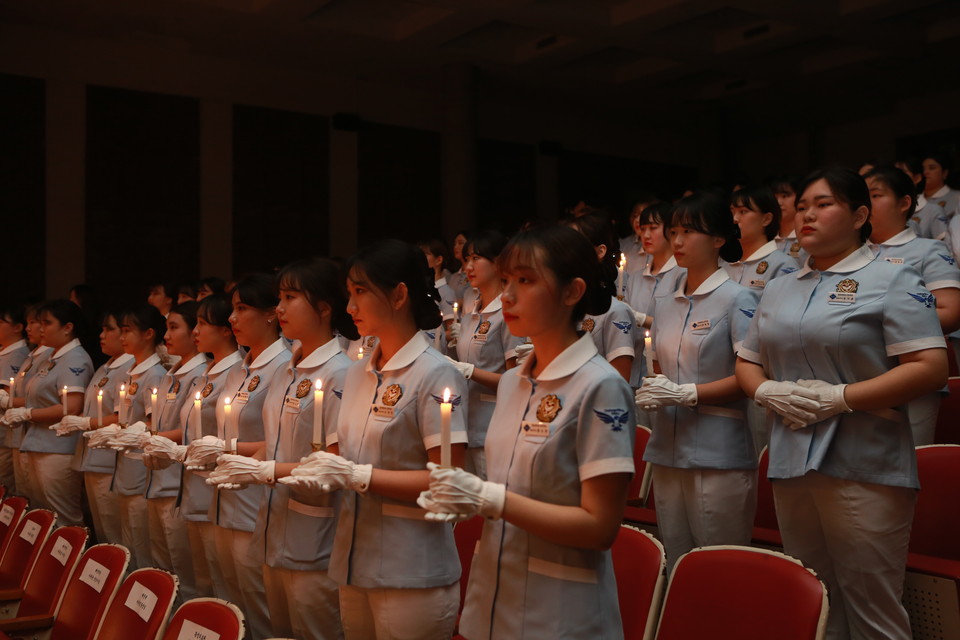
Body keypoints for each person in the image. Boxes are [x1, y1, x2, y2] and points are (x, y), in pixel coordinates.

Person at [736, 167, 949, 640]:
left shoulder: (892, 277)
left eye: (824, 204)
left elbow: (929, 367)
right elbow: (747, 362)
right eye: (803, 205)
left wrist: (841, 397)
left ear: (859, 216)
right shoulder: (778, 286)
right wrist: (764, 390)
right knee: (816, 602)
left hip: (863, 458)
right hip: (792, 459)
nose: (807, 214)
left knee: (872, 608)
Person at [418, 224, 636, 639]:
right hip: (494, 598)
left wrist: (490, 498)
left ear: (572, 291)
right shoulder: (514, 381)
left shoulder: (600, 386)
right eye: (505, 281)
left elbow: (600, 527)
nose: (508, 297)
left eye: (526, 281)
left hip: (560, 612)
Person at [279, 239, 469, 640]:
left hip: (412, 572)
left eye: (361, 292)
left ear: (399, 294)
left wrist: (360, 476)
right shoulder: (357, 373)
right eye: (349, 294)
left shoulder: (435, 373)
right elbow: (338, 457)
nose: (350, 308)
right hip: (352, 561)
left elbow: (449, 481)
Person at [210, 257, 359, 640]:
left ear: (324, 308)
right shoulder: (287, 369)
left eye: (290, 297)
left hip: (315, 534)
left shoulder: (340, 372)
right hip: (274, 524)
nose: (279, 309)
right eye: (279, 297)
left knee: (313, 629)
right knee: (274, 630)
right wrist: (234, 458)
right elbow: (275, 444)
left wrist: (266, 470)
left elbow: (336, 462)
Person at [636, 192, 759, 572]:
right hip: (668, 448)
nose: (677, 242)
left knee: (719, 564)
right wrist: (657, 388)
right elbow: (659, 363)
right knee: (676, 561)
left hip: (717, 449)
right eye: (673, 231)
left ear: (718, 239)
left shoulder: (737, 298)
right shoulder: (665, 300)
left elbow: (750, 376)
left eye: (688, 232)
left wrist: (688, 392)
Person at [207, 274, 290, 640]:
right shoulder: (241, 367)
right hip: (224, 496)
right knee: (232, 599)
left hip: (256, 498)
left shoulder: (284, 366)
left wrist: (225, 450)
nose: (232, 318)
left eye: (242, 309)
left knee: (260, 606)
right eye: (233, 309)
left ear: (271, 314)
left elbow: (279, 440)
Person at [865, 165, 960, 445]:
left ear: (905, 202)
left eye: (875, 195)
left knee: (910, 465)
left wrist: (873, 328)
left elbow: (950, 311)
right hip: (857, 373)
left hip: (912, 375)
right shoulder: (847, 255)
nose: (864, 203)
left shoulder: (928, 250)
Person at [142, 301, 208, 601]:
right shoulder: (173, 371)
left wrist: (153, 438)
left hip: (177, 479)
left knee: (185, 571)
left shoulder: (201, 372)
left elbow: (192, 428)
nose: (167, 335)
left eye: (174, 327)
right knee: (162, 564)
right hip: (159, 475)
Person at [179, 294, 244, 598]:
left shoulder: (236, 371)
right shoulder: (206, 371)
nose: (195, 331)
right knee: (205, 579)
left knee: (227, 585)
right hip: (195, 483)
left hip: (219, 486)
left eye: (202, 324)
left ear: (225, 330)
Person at [6, 300, 93, 525]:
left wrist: (27, 414)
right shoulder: (52, 358)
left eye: (47, 323)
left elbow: (70, 407)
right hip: (38, 443)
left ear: (67, 327)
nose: (41, 329)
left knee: (62, 517)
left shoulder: (75, 358)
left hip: (58, 449)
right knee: (41, 515)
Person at [447, 230, 522, 477]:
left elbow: (517, 381)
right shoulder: (470, 316)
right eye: (466, 259)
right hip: (464, 425)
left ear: (499, 262)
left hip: (494, 426)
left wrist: (470, 371)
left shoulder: (510, 313)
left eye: (477, 258)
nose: (468, 266)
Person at [59, 309, 133, 545]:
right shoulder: (105, 367)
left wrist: (85, 422)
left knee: (115, 530)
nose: (103, 335)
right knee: (101, 528)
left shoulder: (130, 368)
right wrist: (77, 419)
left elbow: (125, 417)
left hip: (109, 460)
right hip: (91, 456)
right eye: (102, 329)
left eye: (109, 329)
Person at [105, 305, 169, 569]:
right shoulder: (133, 370)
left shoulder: (154, 373)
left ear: (149, 334)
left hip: (141, 469)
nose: (122, 337)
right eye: (120, 331)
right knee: (127, 542)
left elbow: (155, 422)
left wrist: (133, 431)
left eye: (128, 331)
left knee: (142, 545)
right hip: (125, 466)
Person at [565, 213, 636, 382]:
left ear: (600, 251)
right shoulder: (564, 306)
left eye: (576, 244)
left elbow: (619, 381)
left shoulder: (615, 310)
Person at [624, 202, 683, 385]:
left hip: (667, 375)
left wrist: (643, 319)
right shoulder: (635, 278)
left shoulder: (683, 274)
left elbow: (680, 326)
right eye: (643, 229)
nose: (646, 235)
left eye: (653, 228)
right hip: (634, 371)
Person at [6, 304, 52, 501]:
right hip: (21, 436)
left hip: (43, 440)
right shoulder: (33, 356)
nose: (30, 328)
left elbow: (39, 398)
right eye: (32, 322)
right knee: (25, 497)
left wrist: (8, 401)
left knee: (43, 502)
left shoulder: (49, 357)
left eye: (36, 322)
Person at [725, 185, 797, 291]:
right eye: (732, 212)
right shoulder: (723, 262)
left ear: (766, 219)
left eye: (743, 211)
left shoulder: (783, 264)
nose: (735, 219)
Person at [0, 304, 29, 493]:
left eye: (2, 322)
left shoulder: (18, 354)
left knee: (7, 486)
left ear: (18, 327)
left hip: (5, 432)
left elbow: (8, 396)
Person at [768, 175, 807, 266]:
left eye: (784, 196)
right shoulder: (765, 237)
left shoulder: (808, 235)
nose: (778, 203)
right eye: (775, 197)